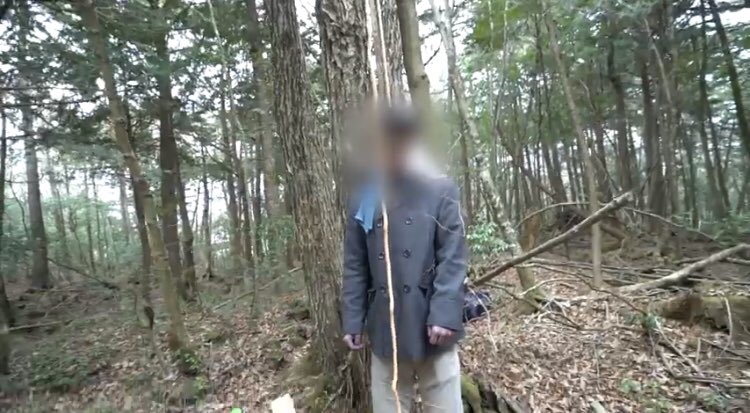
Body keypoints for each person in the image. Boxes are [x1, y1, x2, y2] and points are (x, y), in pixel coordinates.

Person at [341, 104, 467, 413]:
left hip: (432, 326)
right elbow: (355, 263)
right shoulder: (366, 196)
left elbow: (453, 256)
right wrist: (353, 319)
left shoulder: (440, 188)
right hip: (386, 328)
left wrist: (444, 313)